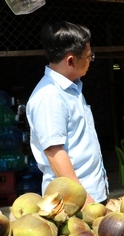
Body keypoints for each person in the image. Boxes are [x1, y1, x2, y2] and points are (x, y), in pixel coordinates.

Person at [26, 21, 108, 205]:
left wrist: (100, 175)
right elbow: (55, 153)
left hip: (91, 190)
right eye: (88, 56)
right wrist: (84, 200)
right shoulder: (49, 96)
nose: (90, 60)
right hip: (74, 201)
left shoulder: (72, 89)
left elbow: (80, 141)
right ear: (71, 60)